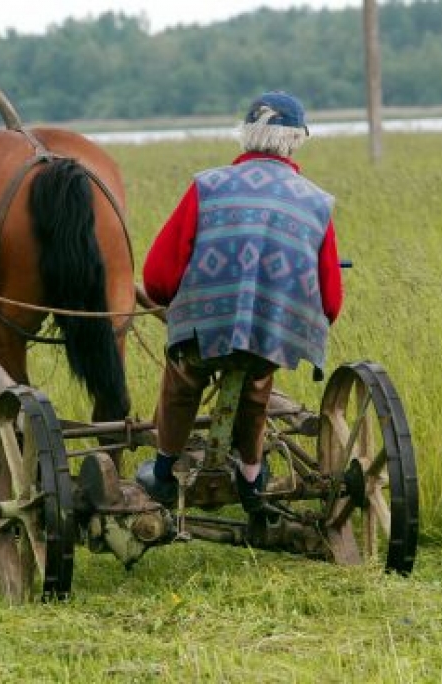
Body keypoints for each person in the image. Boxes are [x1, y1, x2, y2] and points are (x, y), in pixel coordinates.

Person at [136, 91, 344, 517]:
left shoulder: (206, 186)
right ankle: (251, 476)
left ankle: (163, 470)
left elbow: (158, 276)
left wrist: (167, 298)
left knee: (183, 375)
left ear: (247, 134)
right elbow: (331, 298)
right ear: (297, 139)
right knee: (256, 383)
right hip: (270, 332)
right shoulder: (316, 202)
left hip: (203, 326)